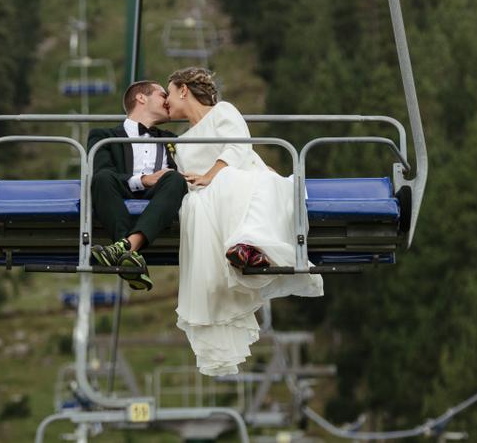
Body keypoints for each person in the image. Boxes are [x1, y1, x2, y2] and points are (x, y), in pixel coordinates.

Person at [164, 67, 324, 376]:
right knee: (198, 205)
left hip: (240, 179)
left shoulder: (224, 112)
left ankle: (248, 244)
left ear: (183, 90)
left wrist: (212, 176)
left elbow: (238, 148)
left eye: (169, 93)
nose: (167, 102)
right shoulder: (181, 141)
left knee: (229, 183)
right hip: (206, 195)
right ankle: (242, 252)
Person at [86, 80, 187, 291]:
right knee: (102, 178)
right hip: (121, 189)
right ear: (141, 97)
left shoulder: (173, 139)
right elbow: (101, 170)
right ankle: (131, 252)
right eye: (162, 95)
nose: (168, 101)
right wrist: (143, 180)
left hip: (160, 194)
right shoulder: (103, 136)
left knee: (176, 179)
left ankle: (124, 248)